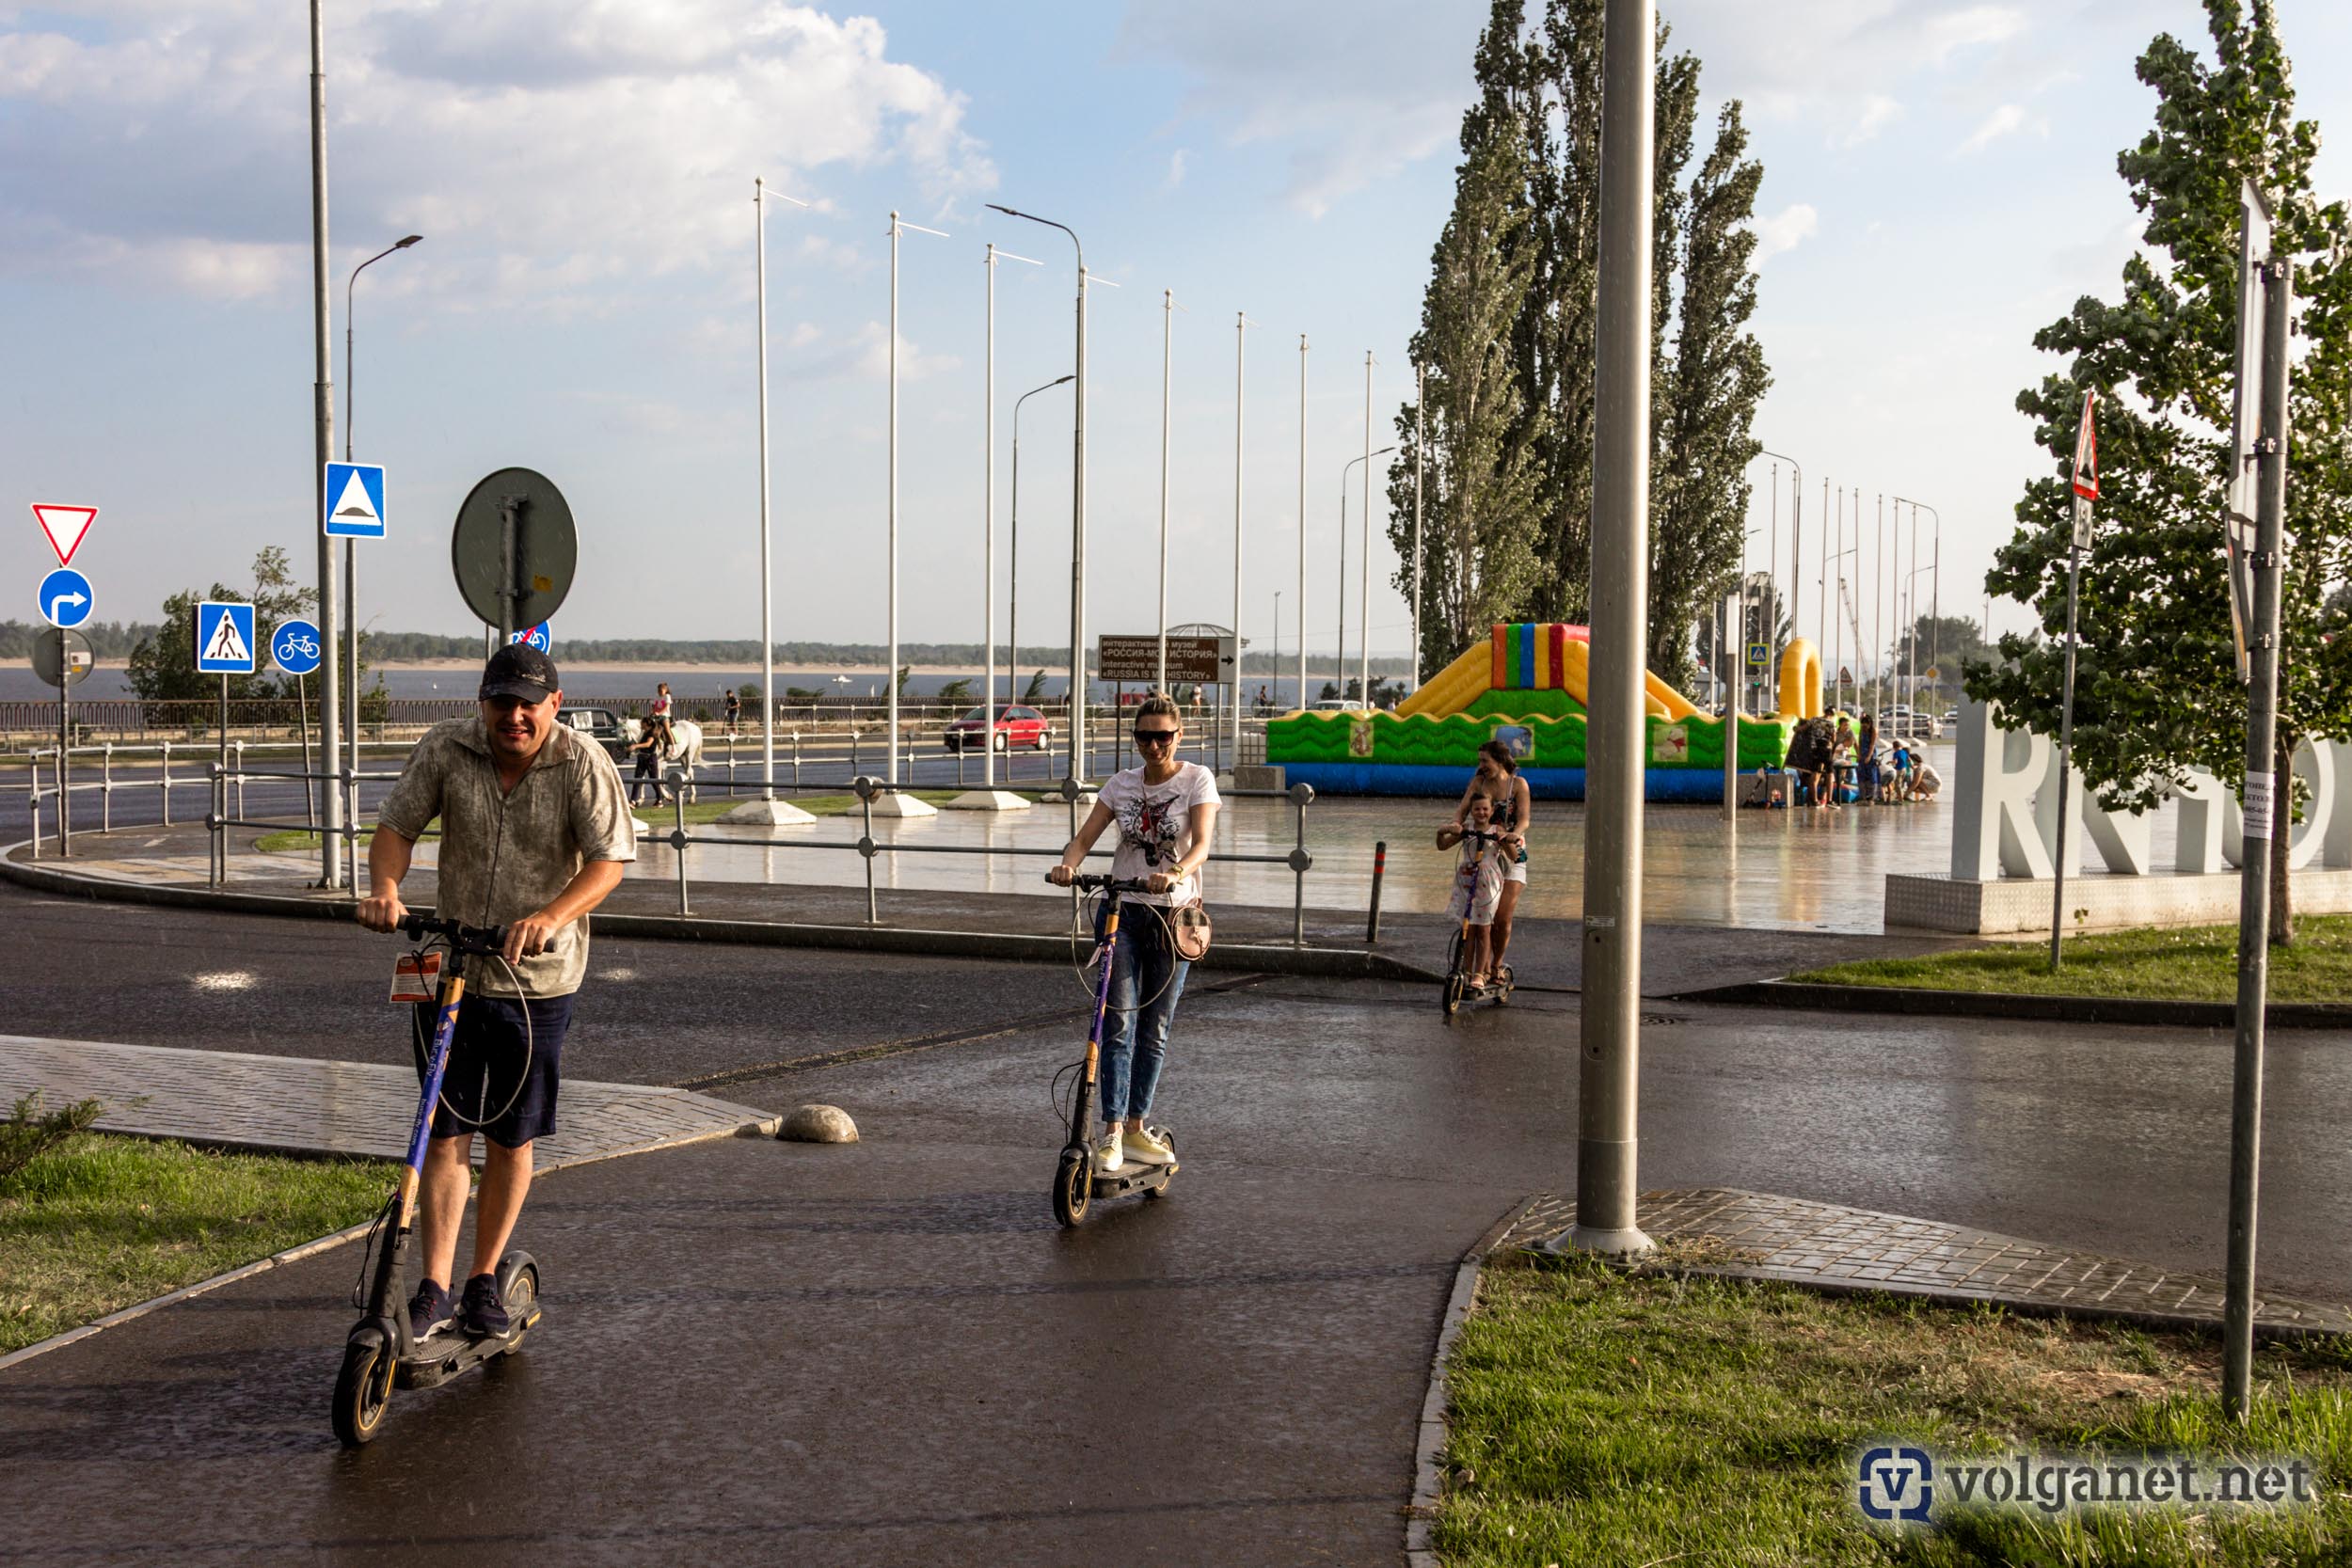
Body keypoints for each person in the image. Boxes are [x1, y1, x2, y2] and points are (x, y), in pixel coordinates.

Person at [356, 643, 633, 1340]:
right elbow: (396, 827)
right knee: (442, 1132)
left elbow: (609, 861)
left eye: (527, 703)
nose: (513, 715)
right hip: (452, 972)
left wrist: (551, 915)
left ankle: (483, 1279)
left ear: (553, 705)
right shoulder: (447, 748)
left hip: (535, 981)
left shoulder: (581, 763)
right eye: (500, 701)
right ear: (481, 703)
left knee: (511, 1137)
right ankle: (434, 1286)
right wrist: (386, 888)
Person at [1047, 694, 1221, 1175]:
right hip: (1123, 909)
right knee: (1117, 1021)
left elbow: (1203, 844)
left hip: (1175, 914)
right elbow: (1086, 838)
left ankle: (1137, 1125)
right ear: (1135, 739)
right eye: (1145, 736)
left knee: (1156, 1028)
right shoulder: (1120, 786)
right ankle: (1111, 1133)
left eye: (1163, 736)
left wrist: (1177, 870)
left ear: (1178, 736)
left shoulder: (1197, 780)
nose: (1154, 745)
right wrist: (1069, 865)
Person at [1450, 740, 1531, 983]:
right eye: (1480, 761)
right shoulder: (1478, 783)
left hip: (1509, 850)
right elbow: (1461, 810)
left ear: (1500, 760)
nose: (1481, 766)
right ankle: (1479, 971)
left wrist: (1513, 833)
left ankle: (1495, 964)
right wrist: (1455, 825)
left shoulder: (1518, 785)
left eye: (1485, 761)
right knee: (1481, 917)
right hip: (1484, 852)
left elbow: (1525, 818)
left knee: (1502, 916)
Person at [1436, 793, 1505, 986]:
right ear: (1471, 812)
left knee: (1484, 928)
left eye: (1485, 809)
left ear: (1491, 811)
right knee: (1468, 928)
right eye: (1477, 809)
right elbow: (1443, 846)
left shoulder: (1496, 830)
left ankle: (1480, 973)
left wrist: (1507, 839)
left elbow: (1515, 855)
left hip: (1488, 883)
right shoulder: (1467, 830)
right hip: (1467, 880)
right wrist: (1442, 832)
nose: (1481, 812)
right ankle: (1466, 971)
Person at [627, 714, 672, 807]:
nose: (640, 724)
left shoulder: (652, 733)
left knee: (653, 780)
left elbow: (648, 744)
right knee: (637, 779)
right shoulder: (645, 733)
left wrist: (636, 746)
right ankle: (633, 801)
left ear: (646, 724)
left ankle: (659, 799)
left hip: (650, 759)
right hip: (642, 758)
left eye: (642, 723)